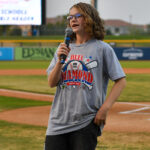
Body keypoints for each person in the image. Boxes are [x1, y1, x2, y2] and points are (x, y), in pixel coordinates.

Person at [44, 2, 126, 150]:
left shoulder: (102, 49)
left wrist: (104, 109)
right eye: (70, 17)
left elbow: (121, 81)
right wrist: (59, 62)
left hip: (86, 122)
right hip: (58, 121)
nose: (72, 20)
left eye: (77, 16)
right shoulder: (63, 48)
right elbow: (51, 83)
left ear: (89, 18)